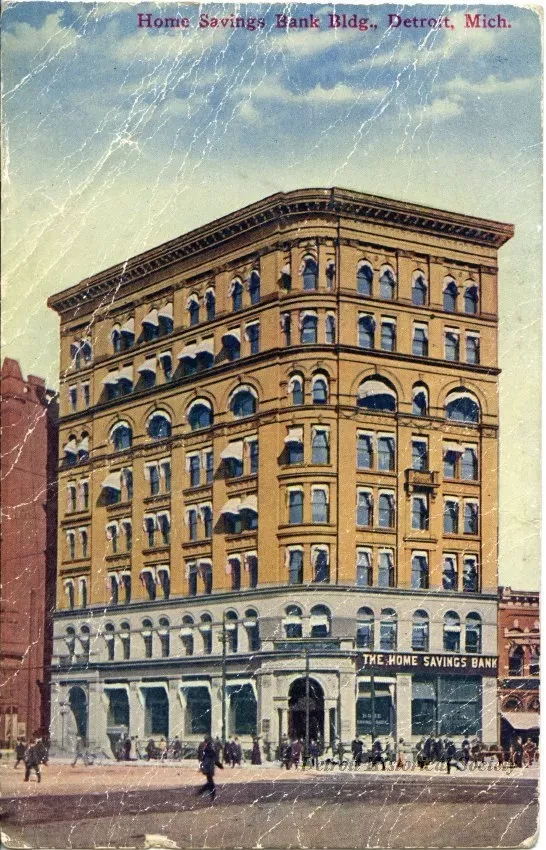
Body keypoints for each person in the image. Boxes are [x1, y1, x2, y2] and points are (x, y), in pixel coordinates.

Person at [196, 737, 223, 802]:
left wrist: (202, 767)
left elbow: (203, 758)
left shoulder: (206, 749)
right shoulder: (210, 749)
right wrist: (220, 766)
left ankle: (202, 792)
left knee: (210, 782)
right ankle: (209, 795)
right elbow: (215, 759)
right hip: (209, 768)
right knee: (211, 783)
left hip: (207, 767)